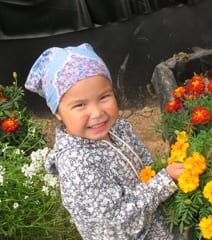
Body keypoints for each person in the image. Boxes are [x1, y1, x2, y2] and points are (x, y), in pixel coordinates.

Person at [24, 43, 185, 240]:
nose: (97, 113)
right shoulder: (77, 164)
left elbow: (146, 166)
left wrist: (164, 178)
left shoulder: (117, 127)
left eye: (104, 97)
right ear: (57, 112)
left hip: (155, 225)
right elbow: (118, 224)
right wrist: (165, 182)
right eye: (80, 105)